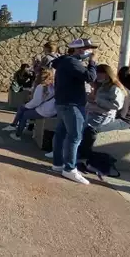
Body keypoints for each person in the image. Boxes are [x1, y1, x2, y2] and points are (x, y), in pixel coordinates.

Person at [50, 38, 98, 185]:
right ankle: (70, 168)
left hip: (64, 103)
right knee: (75, 136)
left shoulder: (65, 62)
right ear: (79, 49)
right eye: (87, 48)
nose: (90, 51)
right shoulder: (72, 62)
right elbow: (90, 77)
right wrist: (92, 63)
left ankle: (58, 164)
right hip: (72, 105)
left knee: (61, 134)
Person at [78, 64, 130, 160]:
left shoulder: (115, 88)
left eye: (100, 74)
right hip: (101, 115)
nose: (97, 76)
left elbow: (116, 106)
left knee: (90, 130)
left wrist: (96, 100)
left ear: (107, 74)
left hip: (121, 119)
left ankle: (83, 157)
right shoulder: (103, 85)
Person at [3, 68, 56, 140]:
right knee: (23, 109)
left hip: (45, 110)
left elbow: (36, 101)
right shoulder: (53, 86)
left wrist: (26, 105)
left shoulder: (41, 87)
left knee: (24, 113)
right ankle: (14, 126)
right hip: (51, 110)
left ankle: (17, 134)